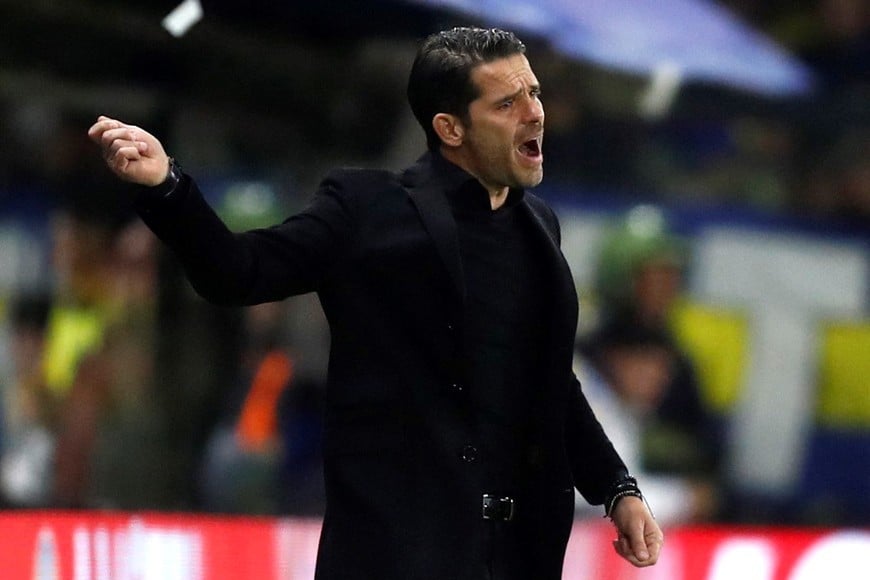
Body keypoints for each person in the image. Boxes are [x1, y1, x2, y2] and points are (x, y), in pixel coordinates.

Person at [89, 27, 662, 580]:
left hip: (513, 556)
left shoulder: (540, 228)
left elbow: (551, 384)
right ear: (451, 129)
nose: (535, 113)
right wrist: (167, 187)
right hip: (396, 557)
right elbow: (239, 273)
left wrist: (616, 488)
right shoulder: (368, 210)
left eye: (533, 93)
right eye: (506, 103)